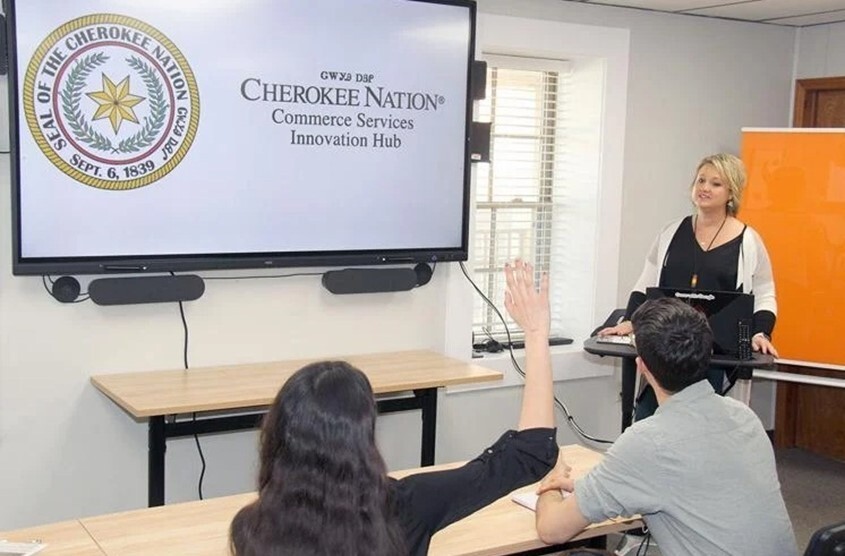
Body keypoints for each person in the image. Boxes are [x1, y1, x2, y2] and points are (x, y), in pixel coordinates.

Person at [230, 260, 560, 556]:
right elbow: (531, 452)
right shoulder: (409, 505)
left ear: (277, 435)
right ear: (362, 437)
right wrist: (534, 333)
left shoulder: (249, 530)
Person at [536, 297, 798, 556]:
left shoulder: (649, 443)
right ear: (707, 354)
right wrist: (588, 489)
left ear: (642, 366)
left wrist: (550, 482)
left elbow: (552, 529)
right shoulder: (744, 418)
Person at [599, 153, 778, 419]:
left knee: (705, 426)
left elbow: (764, 292)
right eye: (701, 180)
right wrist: (630, 320)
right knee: (650, 420)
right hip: (666, 350)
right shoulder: (670, 233)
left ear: (731, 192)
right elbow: (646, 283)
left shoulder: (748, 241)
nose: (704, 188)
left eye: (716, 183)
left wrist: (761, 332)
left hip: (716, 356)